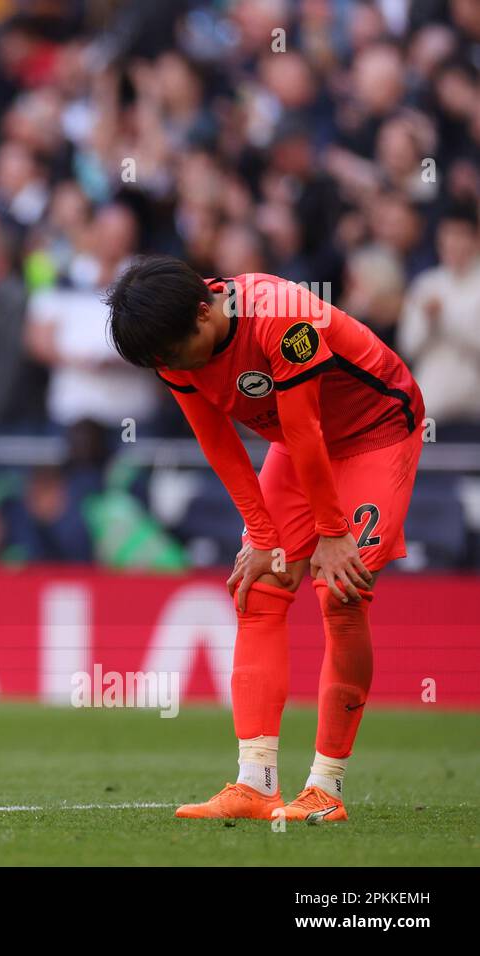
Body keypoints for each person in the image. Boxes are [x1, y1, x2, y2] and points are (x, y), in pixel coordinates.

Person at [106, 256, 424, 823]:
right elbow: (219, 443)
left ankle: (326, 787)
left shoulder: (281, 315)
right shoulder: (169, 347)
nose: (175, 368)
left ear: (205, 313)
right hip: (297, 442)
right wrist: (260, 532)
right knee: (258, 589)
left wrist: (331, 533)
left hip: (376, 431)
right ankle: (256, 783)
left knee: (340, 592)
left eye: (177, 355)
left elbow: (305, 426)